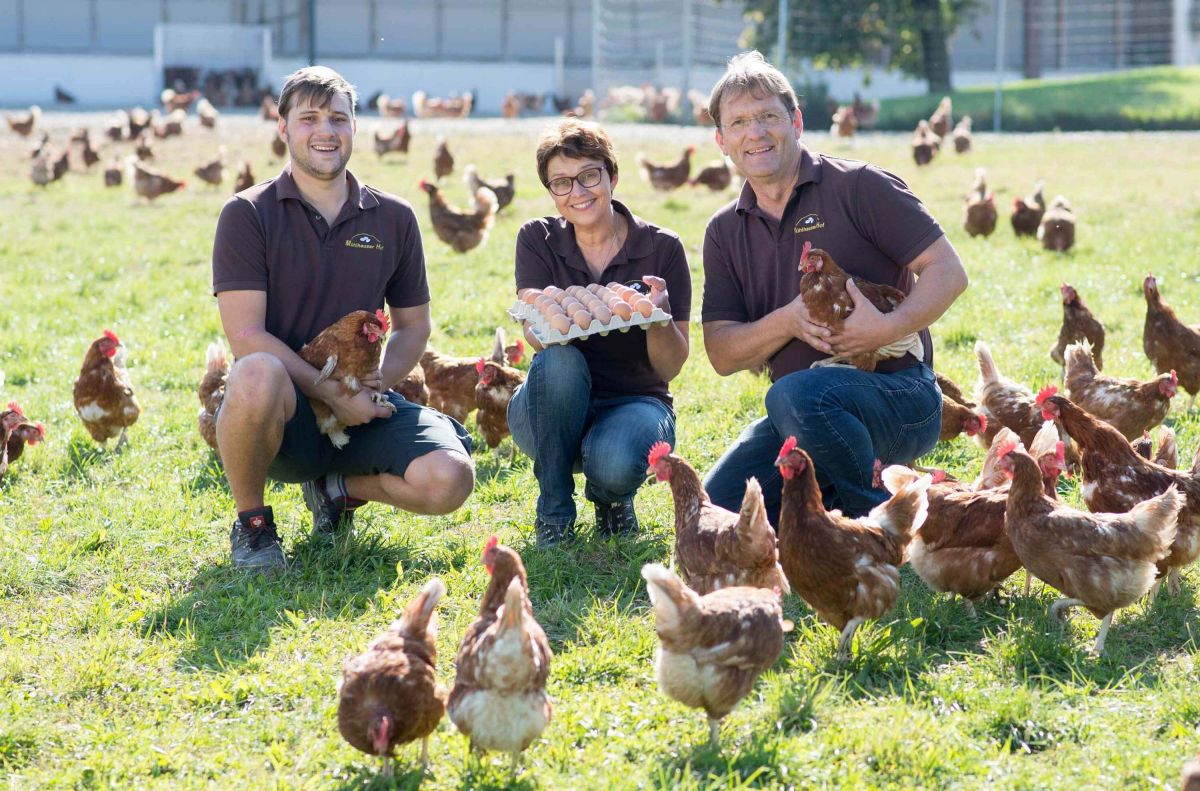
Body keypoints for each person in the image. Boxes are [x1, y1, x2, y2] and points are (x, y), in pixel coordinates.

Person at [211, 66, 475, 571]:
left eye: (338, 118)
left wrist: (370, 389)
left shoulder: (393, 217)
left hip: (361, 410)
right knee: (254, 371)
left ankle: (338, 490)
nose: (326, 131)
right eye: (309, 118)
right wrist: (329, 392)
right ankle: (254, 526)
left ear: (354, 126)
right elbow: (246, 335)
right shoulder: (247, 213)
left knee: (450, 479)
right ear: (283, 128)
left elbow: (414, 327)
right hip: (286, 414)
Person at [700, 52, 968, 523]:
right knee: (720, 510)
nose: (755, 133)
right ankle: (847, 499)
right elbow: (722, 354)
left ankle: (877, 527)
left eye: (768, 117)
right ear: (721, 140)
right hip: (800, 415)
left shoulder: (860, 186)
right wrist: (788, 320)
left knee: (795, 395)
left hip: (899, 395)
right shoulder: (725, 230)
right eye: (738, 122)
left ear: (796, 122)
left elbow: (948, 270)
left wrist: (886, 328)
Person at [508, 119, 691, 547]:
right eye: (561, 182)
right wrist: (551, 320)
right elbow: (536, 337)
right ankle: (553, 510)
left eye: (589, 175)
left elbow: (670, 367)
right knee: (559, 358)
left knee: (614, 462)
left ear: (612, 176)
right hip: (552, 408)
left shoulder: (661, 247)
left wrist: (658, 318)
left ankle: (610, 497)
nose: (578, 192)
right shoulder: (537, 239)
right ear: (551, 192)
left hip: (636, 402)